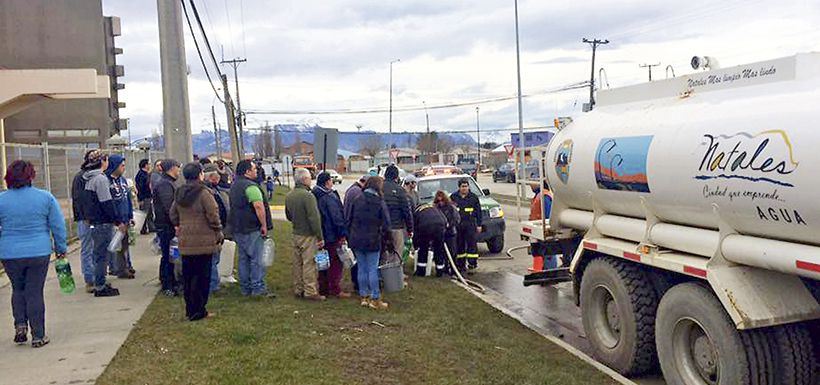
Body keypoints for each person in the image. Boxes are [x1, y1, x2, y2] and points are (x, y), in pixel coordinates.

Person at [0, 160, 67, 348]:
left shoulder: (2, 200)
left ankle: (20, 325)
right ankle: (38, 334)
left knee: (18, 289)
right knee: (34, 291)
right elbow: (58, 226)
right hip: (39, 251)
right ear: (31, 176)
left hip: (9, 252)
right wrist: (60, 248)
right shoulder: (45, 198)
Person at [170, 163, 223, 321]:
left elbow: (172, 213)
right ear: (200, 174)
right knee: (202, 278)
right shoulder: (204, 193)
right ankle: (200, 311)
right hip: (204, 240)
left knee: (189, 278)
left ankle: (190, 310)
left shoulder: (179, 193)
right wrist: (217, 228)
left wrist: (179, 224)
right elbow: (213, 213)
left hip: (186, 241)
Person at [229, 160, 273, 297]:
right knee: (257, 259)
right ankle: (258, 288)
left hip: (238, 228)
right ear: (247, 171)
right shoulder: (251, 187)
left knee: (243, 259)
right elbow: (259, 207)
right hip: (252, 228)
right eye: (254, 169)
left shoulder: (235, 185)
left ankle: (245, 287)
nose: (256, 171)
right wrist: (264, 225)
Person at [79, 151, 121, 297]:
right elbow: (106, 202)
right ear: (102, 161)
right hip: (103, 222)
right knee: (102, 255)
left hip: (94, 221)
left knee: (97, 254)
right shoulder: (101, 179)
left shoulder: (88, 178)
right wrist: (116, 219)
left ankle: (99, 281)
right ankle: (100, 286)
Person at [346, 176, 391, 309]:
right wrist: (386, 238)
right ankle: (375, 298)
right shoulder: (379, 202)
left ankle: (364, 296)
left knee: (362, 268)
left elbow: (349, 218)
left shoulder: (357, 199)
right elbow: (387, 224)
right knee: (372, 269)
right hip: (372, 239)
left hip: (356, 238)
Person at [285, 168, 325, 301]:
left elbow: (288, 215)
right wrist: (319, 236)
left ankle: (298, 288)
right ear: (304, 180)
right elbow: (314, 218)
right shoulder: (308, 196)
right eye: (309, 178)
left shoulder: (289, 195)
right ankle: (310, 290)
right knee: (309, 263)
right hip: (308, 234)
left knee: (297, 263)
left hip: (296, 232)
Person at [312, 172, 350, 298]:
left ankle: (323, 287)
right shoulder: (329, 197)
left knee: (322, 262)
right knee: (335, 263)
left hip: (319, 234)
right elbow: (336, 217)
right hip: (332, 235)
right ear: (327, 182)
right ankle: (335, 289)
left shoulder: (313, 195)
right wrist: (342, 233)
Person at [71, 150, 100, 293]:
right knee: (88, 248)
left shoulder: (90, 176)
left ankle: (96, 275)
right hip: (87, 219)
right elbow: (80, 199)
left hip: (92, 218)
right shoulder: (82, 177)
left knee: (94, 248)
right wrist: (87, 217)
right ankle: (90, 279)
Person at [153, 159, 181, 296]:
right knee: (168, 256)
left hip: (168, 225)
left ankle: (172, 281)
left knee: (172, 255)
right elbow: (169, 206)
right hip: (166, 226)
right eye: (178, 167)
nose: (179, 170)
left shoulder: (169, 183)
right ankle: (167, 284)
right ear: (171, 168)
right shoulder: (165, 185)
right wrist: (175, 223)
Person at [106, 155, 135, 279]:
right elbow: (108, 203)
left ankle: (126, 266)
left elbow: (127, 198)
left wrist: (130, 215)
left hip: (125, 217)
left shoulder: (122, 181)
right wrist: (116, 221)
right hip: (115, 220)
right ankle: (117, 268)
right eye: (121, 165)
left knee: (124, 244)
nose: (123, 168)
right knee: (115, 245)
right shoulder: (107, 181)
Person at [204, 163, 229, 293]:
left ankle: (213, 283)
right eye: (217, 175)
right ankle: (213, 285)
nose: (219, 177)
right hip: (212, 230)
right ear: (211, 177)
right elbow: (213, 212)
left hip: (218, 228)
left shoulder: (215, 189)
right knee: (212, 258)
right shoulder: (208, 192)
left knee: (215, 258)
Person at [450, 178, 482, 273]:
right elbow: (450, 211)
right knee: (459, 244)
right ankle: (460, 264)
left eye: (466, 186)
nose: (464, 188)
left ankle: (472, 263)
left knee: (472, 243)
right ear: (459, 187)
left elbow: (478, 212)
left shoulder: (473, 197)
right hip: (458, 225)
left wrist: (479, 225)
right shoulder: (453, 197)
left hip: (470, 224)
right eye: (462, 186)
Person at [343, 175, 369, 292]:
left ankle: (356, 282)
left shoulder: (351, 190)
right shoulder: (358, 193)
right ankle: (358, 284)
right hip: (354, 229)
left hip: (350, 228)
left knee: (355, 258)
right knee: (358, 260)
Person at [383, 165, 413, 258]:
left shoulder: (379, 187)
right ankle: (394, 272)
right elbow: (406, 211)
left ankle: (383, 271)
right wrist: (410, 229)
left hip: (380, 228)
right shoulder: (400, 190)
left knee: (383, 254)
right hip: (396, 227)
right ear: (397, 176)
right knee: (397, 254)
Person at [412, 198, 447, 277]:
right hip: (440, 225)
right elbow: (445, 220)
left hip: (425, 226)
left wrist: (416, 245)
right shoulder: (435, 208)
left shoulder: (417, 212)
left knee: (423, 248)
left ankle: (421, 272)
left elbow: (415, 231)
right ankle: (440, 271)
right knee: (439, 249)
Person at [528, 181, 557, 271]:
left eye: (532, 183)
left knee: (548, 251)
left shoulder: (544, 196)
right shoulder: (540, 195)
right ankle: (545, 269)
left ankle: (550, 271)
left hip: (543, 228)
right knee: (543, 251)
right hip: (539, 227)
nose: (530, 185)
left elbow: (548, 215)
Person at [434, 191, 460, 275]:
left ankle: (453, 270)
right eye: (438, 201)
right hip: (440, 234)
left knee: (452, 252)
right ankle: (443, 269)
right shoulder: (435, 208)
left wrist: (449, 225)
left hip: (450, 233)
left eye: (442, 201)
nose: (440, 203)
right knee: (441, 253)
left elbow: (456, 219)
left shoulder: (451, 208)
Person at [135, 158, 154, 234]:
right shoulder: (141, 175)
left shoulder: (146, 174)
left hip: (148, 196)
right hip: (144, 197)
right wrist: (140, 199)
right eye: (148, 164)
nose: (149, 165)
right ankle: (143, 229)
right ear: (145, 165)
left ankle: (151, 227)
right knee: (144, 213)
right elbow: (140, 187)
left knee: (149, 213)